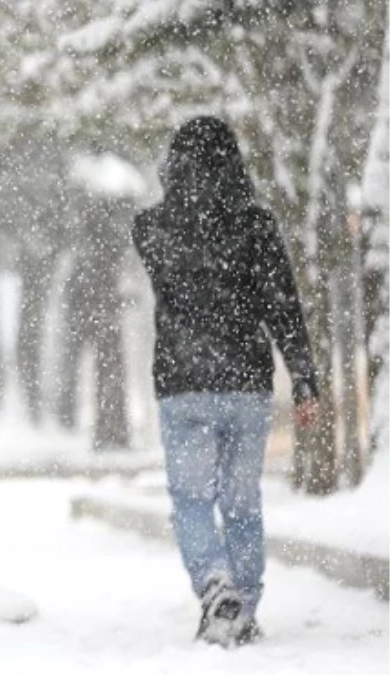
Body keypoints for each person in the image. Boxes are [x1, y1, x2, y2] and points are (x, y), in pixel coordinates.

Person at [133, 116, 319, 647]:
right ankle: (245, 606)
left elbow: (177, 268)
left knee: (192, 500)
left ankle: (216, 587)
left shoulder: (151, 227)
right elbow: (283, 306)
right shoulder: (256, 226)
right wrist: (303, 376)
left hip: (183, 383)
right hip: (245, 383)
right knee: (241, 502)